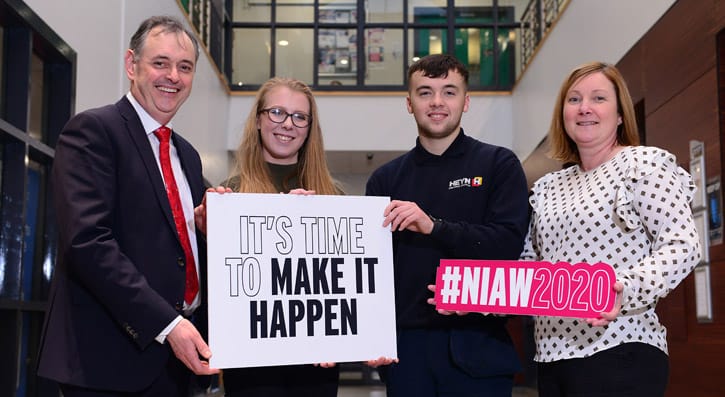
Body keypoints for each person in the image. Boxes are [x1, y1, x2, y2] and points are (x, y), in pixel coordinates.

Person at [36, 15, 218, 396]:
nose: (173, 76)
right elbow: (88, 243)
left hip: (175, 366)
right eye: (160, 63)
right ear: (131, 65)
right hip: (107, 363)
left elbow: (174, 247)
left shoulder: (186, 154)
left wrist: (205, 228)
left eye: (184, 67)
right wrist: (167, 324)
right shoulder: (93, 132)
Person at [519, 61, 701, 397]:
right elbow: (529, 265)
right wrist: (476, 294)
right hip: (550, 356)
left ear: (620, 115)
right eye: (573, 100)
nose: (584, 108)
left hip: (621, 348)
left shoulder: (644, 165)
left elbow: (682, 244)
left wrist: (626, 288)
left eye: (598, 98)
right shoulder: (547, 187)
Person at [365, 54, 530, 396]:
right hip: (406, 354)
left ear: (465, 102)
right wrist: (370, 335)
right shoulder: (385, 180)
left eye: (449, 92)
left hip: (480, 344)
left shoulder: (499, 164)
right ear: (409, 104)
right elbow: (372, 274)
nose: (437, 102)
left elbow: (508, 244)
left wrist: (434, 227)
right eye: (425, 93)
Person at [219, 77, 342, 397]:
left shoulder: (334, 197)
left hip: (317, 365)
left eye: (299, 116)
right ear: (258, 119)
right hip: (251, 367)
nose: (288, 124)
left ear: (309, 127)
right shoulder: (229, 194)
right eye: (276, 112)